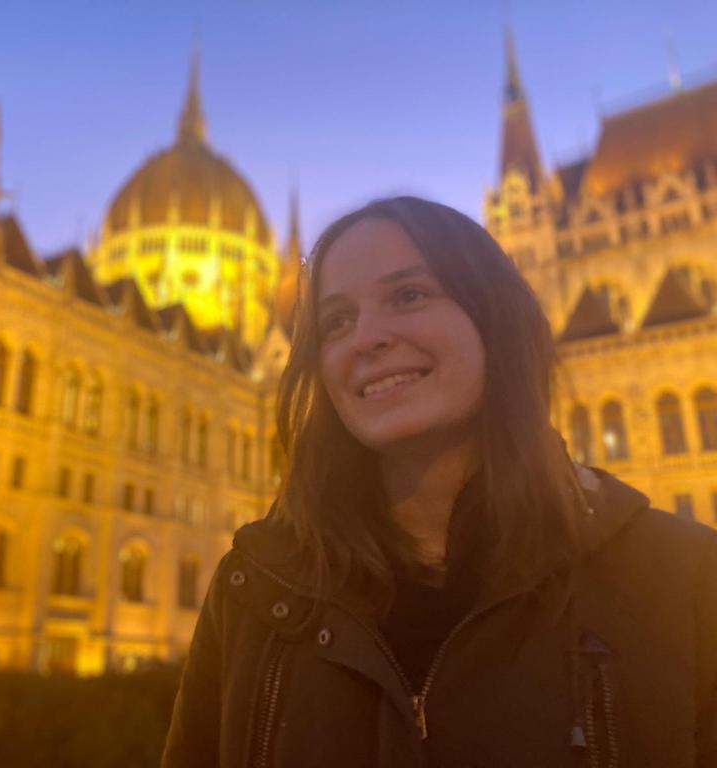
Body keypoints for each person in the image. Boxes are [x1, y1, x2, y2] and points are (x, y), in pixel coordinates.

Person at [161, 196, 717, 767]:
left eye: (409, 295)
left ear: (493, 318)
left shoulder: (686, 579)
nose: (366, 338)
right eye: (336, 321)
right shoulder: (252, 590)